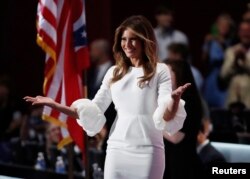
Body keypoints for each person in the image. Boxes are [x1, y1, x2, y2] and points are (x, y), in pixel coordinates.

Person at [24, 15, 190, 179]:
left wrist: (174, 101)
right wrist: (55, 105)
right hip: (116, 150)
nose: (127, 44)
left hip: (148, 151)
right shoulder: (114, 72)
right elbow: (92, 111)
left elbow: (166, 116)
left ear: (145, 41)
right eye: (124, 39)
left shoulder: (160, 70)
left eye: (133, 39)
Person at [163, 60, 204, 179]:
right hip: (167, 164)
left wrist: (150, 122)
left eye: (166, 73)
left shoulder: (189, 103)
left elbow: (176, 137)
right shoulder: (166, 101)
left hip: (183, 167)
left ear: (178, 75)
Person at [219, 21, 250, 109]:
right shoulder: (231, 51)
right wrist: (234, 62)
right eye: (243, 31)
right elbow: (223, 75)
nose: (245, 34)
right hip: (233, 101)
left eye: (248, 31)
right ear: (239, 33)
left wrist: (245, 61)